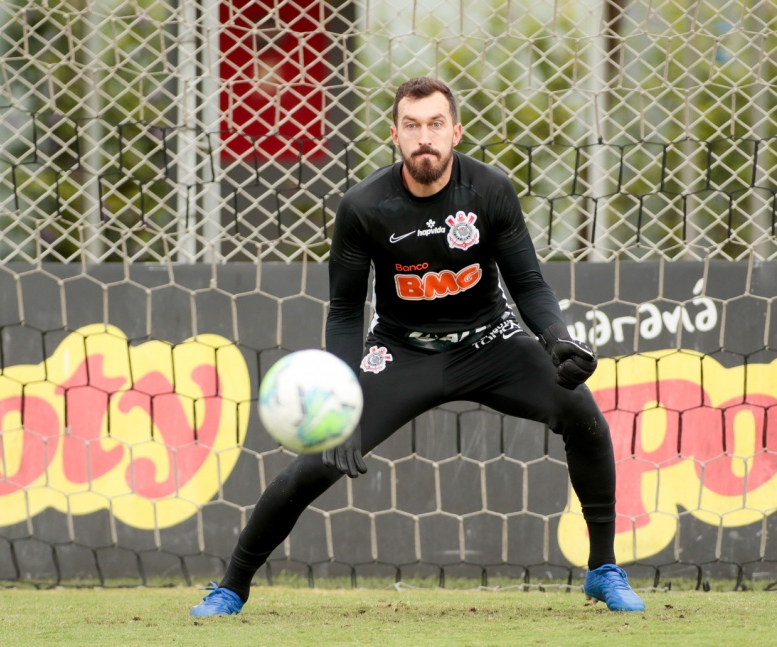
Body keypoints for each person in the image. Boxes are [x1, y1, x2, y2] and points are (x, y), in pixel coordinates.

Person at [190, 77, 645, 616]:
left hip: (491, 340)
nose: (423, 137)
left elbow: (529, 283)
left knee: (583, 415)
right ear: (395, 135)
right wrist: (343, 396)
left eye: (434, 125)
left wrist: (557, 339)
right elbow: (343, 309)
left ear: (455, 131)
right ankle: (231, 586)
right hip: (401, 350)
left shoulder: (491, 191)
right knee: (315, 465)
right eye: (412, 126)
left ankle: (603, 570)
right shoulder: (363, 206)